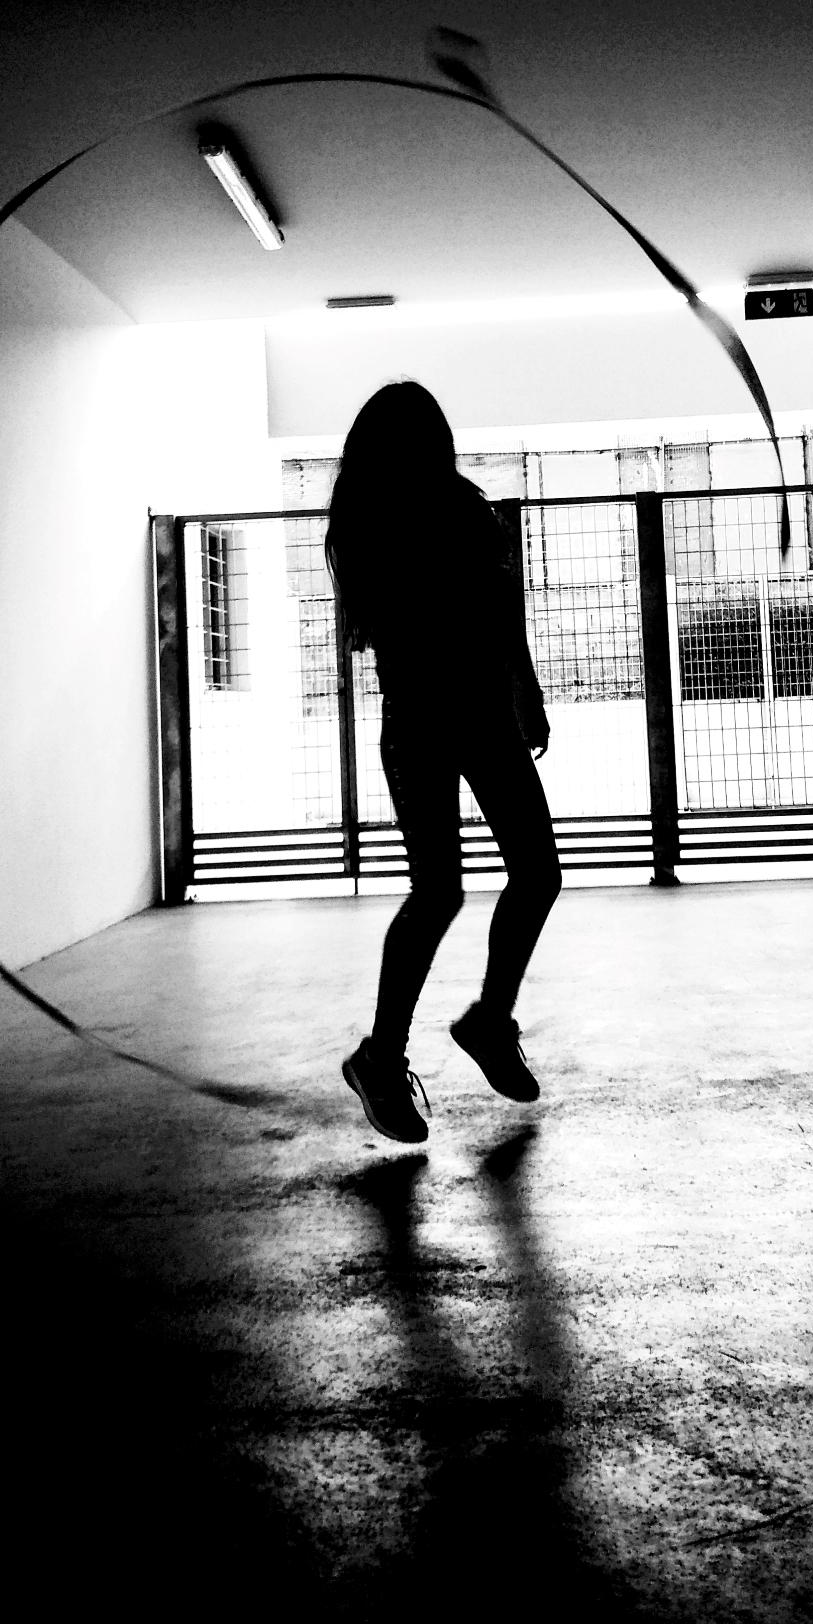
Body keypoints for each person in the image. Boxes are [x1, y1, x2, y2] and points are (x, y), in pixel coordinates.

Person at [328, 381, 562, 1143]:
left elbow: (501, 611)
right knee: (440, 893)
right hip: (425, 722)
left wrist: (524, 691)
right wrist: (516, 688)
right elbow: (397, 628)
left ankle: (488, 1022)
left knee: (534, 873)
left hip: (479, 719)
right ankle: (381, 1059)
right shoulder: (372, 523)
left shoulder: (465, 508)